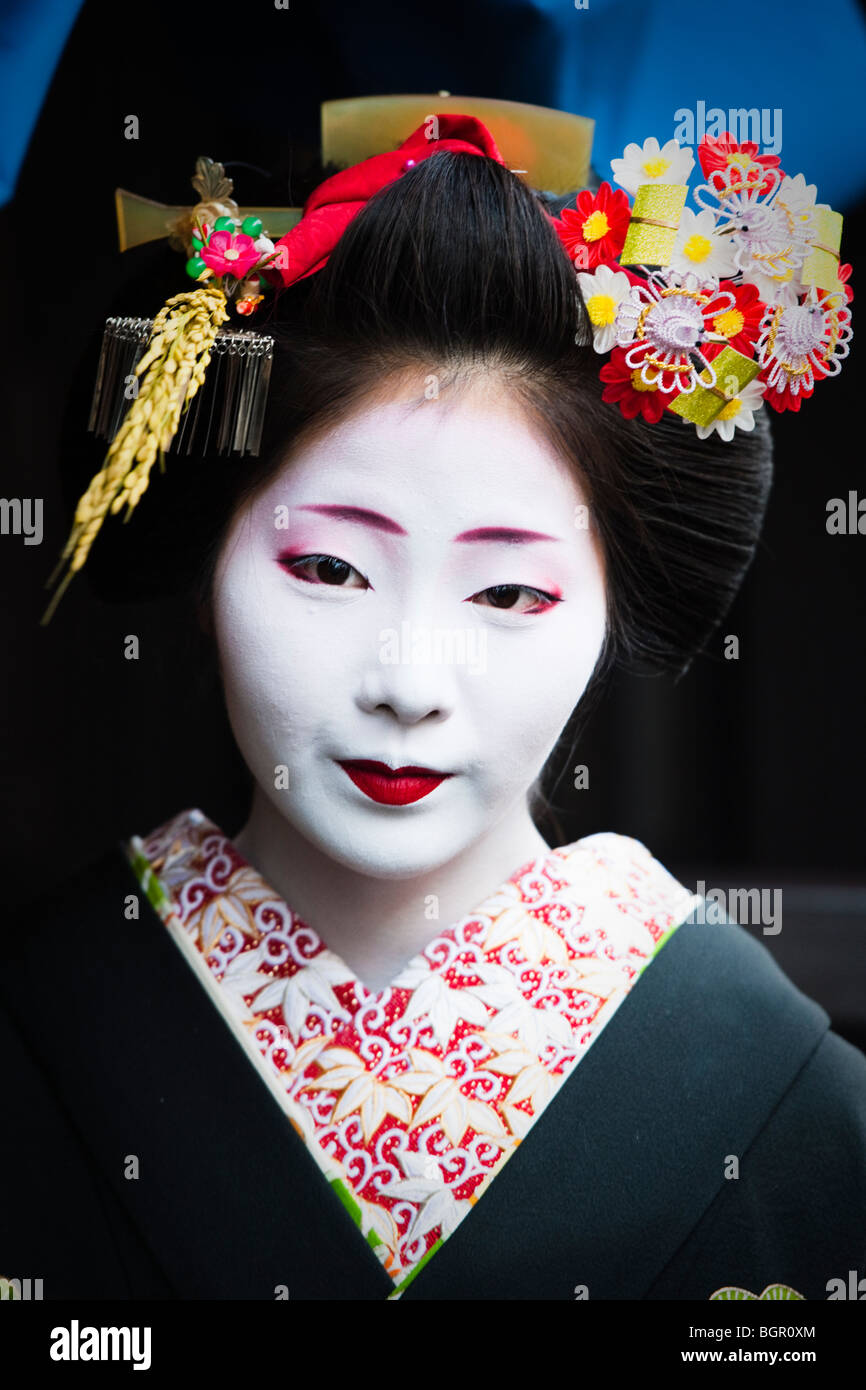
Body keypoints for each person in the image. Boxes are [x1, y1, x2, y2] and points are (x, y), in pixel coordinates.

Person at [2, 106, 863, 1302]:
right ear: (204, 568)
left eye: (509, 589)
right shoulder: (48, 1020)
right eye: (328, 571)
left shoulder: (788, 1111)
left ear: (615, 609)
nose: (409, 683)